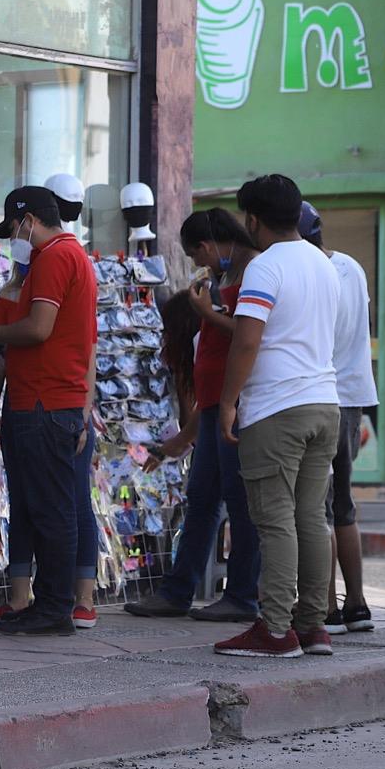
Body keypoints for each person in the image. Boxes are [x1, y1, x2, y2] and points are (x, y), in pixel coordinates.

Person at [214, 174, 340, 659]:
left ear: (252, 220)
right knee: (310, 516)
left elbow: (247, 339)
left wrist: (228, 401)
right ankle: (314, 627)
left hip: (277, 409)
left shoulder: (266, 268)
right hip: (323, 404)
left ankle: (274, 628)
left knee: (275, 520)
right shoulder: (323, 263)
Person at [0, 186, 97, 636]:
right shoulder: (62, 257)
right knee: (42, 507)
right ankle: (47, 602)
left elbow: (40, 329)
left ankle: (56, 606)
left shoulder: (56, 257)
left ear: (28, 221)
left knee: (53, 509)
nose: (12, 239)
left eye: (14, 229)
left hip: (46, 403)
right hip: (42, 401)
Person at [126, 209, 262, 623]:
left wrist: (205, 314)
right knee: (202, 500)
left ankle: (241, 594)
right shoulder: (225, 277)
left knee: (239, 505)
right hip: (213, 408)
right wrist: (184, 436)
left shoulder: (255, 271)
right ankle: (178, 590)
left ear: (208, 244)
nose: (200, 265)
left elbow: (246, 335)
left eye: (198, 255)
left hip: (231, 405)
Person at [298, 201, 378, 635]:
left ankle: (326, 607)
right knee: (344, 506)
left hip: (322, 396)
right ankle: (358, 605)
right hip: (354, 396)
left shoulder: (309, 272)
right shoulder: (350, 265)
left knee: (317, 509)